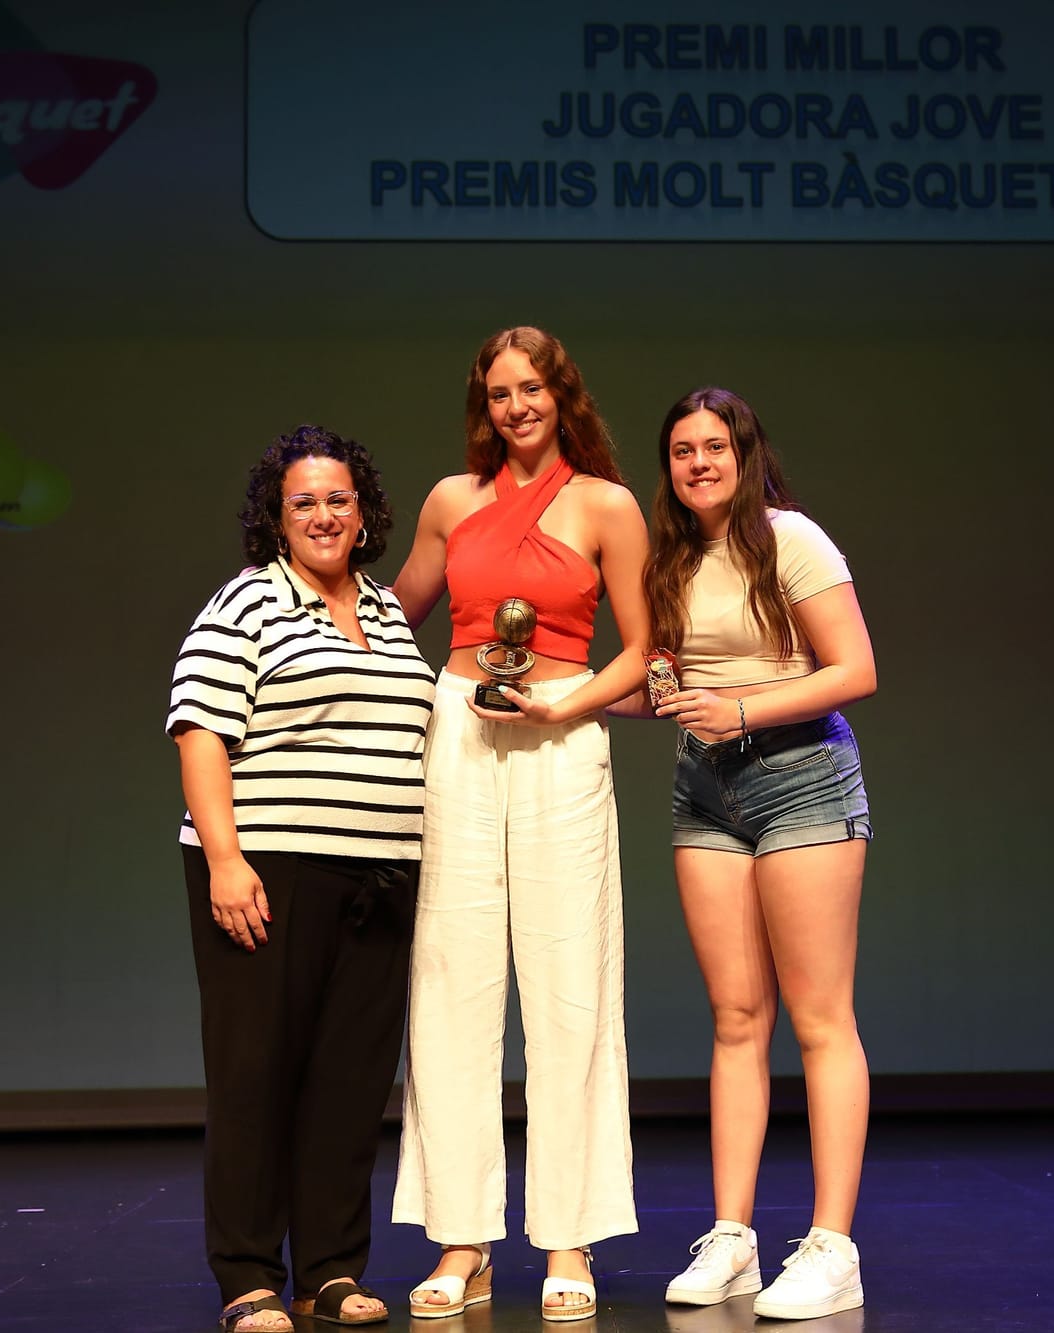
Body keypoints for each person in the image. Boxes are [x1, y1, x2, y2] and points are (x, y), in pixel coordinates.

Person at [388, 327, 650, 1322]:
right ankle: (463, 1239)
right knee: (449, 980)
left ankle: (566, 1238)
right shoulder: (452, 500)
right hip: (459, 735)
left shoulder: (606, 505)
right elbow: (394, 609)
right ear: (482, 404)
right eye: (497, 392)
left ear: (560, 392)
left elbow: (644, 648)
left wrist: (566, 704)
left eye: (529, 386)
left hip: (560, 738)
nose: (514, 405)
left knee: (568, 982)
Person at [167, 426, 437, 1332]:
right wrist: (225, 859)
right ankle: (246, 1276)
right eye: (303, 502)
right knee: (256, 1076)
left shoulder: (391, 611)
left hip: (381, 879)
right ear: (276, 519)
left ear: (364, 512)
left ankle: (329, 1266)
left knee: (349, 1082)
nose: (324, 514)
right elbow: (200, 730)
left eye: (339, 499)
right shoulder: (246, 603)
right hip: (270, 870)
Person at [632, 388, 877, 1320]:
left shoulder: (793, 539)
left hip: (801, 774)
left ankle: (831, 1246)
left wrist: (741, 707)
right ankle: (733, 1238)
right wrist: (555, 696)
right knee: (736, 1017)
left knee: (821, 1019)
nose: (699, 462)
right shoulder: (671, 557)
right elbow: (657, 686)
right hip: (705, 785)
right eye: (683, 450)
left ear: (744, 453)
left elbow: (854, 668)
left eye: (715, 446)